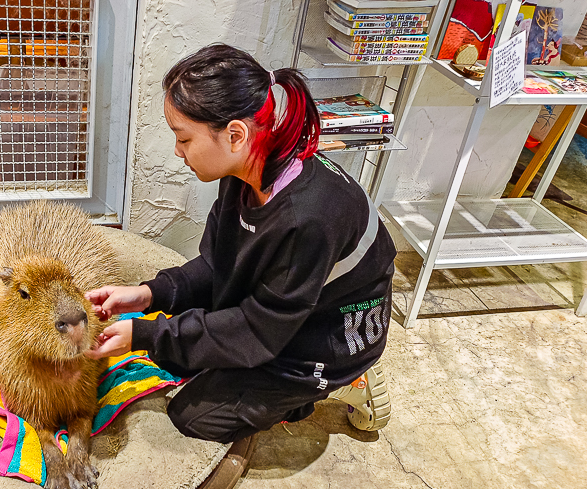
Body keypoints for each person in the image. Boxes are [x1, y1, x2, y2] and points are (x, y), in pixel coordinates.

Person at [84, 43, 397, 443]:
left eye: (183, 139)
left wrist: (145, 337)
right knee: (197, 335)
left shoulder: (307, 219)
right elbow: (216, 266)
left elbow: (257, 330)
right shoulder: (245, 169)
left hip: (325, 335)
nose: (177, 152)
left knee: (194, 415)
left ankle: (338, 383)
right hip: (287, 308)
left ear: (234, 134)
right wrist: (147, 295)